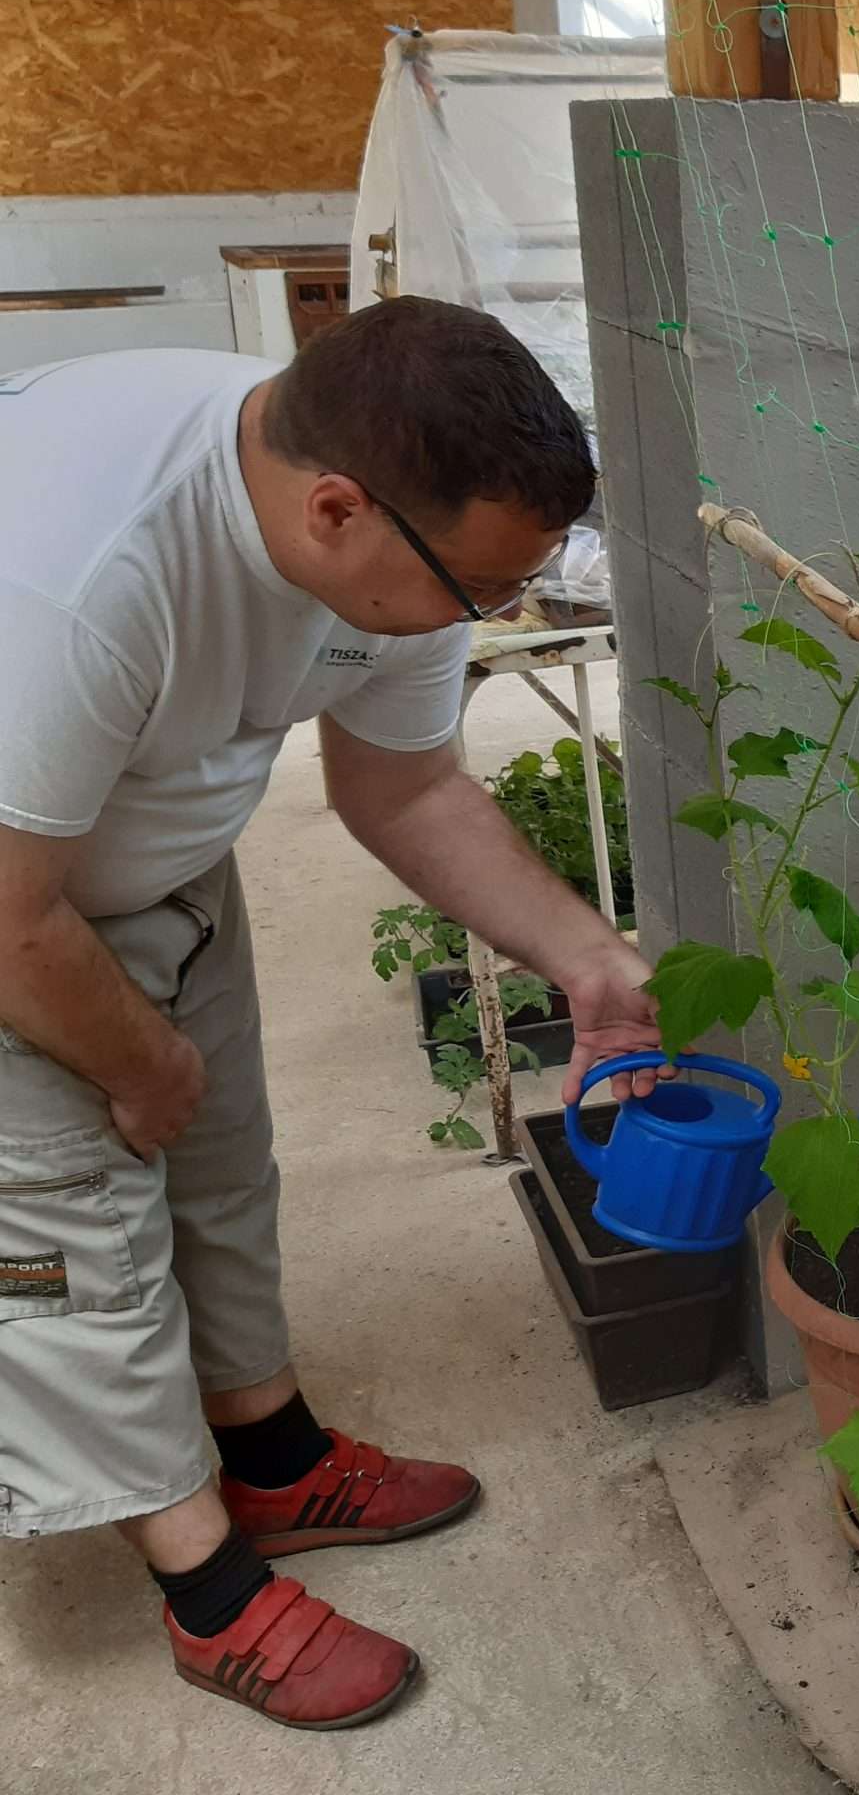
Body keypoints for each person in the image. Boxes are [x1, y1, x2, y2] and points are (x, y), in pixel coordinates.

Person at [0, 298, 661, 1730]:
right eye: (478, 591)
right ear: (334, 510)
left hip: (139, 865)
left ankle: (274, 1456)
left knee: (223, 1173)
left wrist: (590, 958)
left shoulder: (395, 528)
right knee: (68, 1241)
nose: (490, 619)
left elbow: (407, 786)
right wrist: (140, 1059)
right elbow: (13, 919)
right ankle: (205, 1594)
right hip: (13, 899)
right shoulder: (74, 573)